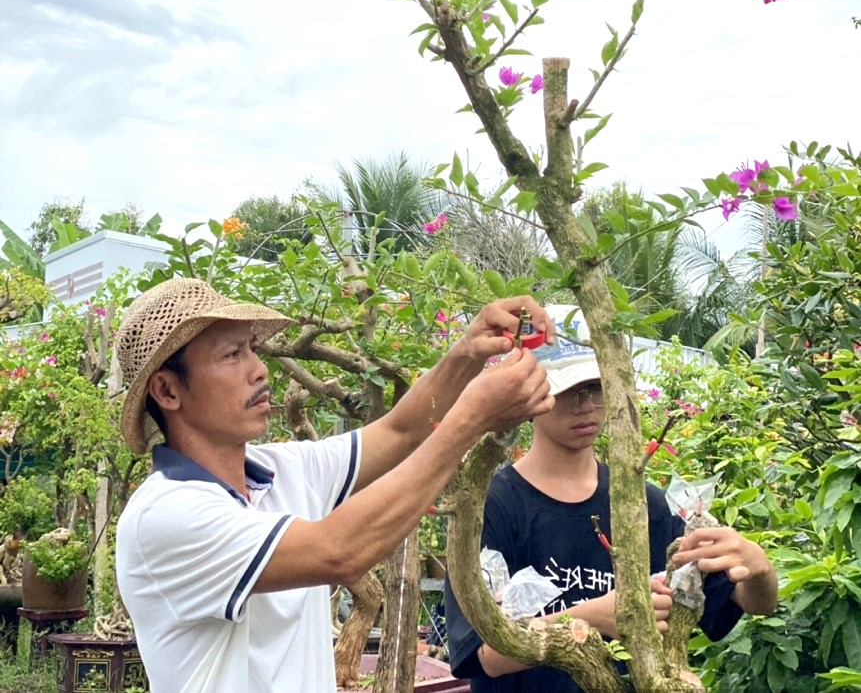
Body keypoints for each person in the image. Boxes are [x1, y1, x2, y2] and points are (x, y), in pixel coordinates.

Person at [114, 277, 554, 693]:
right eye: (232, 355)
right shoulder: (166, 515)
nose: (259, 370)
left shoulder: (280, 469)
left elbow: (400, 431)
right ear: (168, 391)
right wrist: (470, 420)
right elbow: (339, 551)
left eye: (253, 349)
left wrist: (469, 349)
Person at [444, 346, 778, 693]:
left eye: (594, 388)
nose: (585, 405)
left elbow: (754, 602)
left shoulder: (643, 504)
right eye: (567, 392)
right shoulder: (490, 508)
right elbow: (482, 654)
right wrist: (592, 616)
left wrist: (759, 569)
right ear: (531, 400)